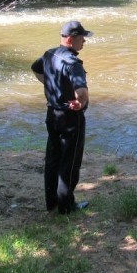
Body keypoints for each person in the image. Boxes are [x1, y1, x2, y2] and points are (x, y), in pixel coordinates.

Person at [31, 20, 93, 214]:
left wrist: (49, 85)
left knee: (53, 158)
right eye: (82, 38)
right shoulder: (73, 63)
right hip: (70, 118)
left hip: (52, 114)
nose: (84, 41)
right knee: (70, 162)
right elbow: (81, 92)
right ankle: (66, 206)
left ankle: (52, 202)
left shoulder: (49, 54)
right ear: (70, 39)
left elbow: (35, 69)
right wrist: (80, 102)